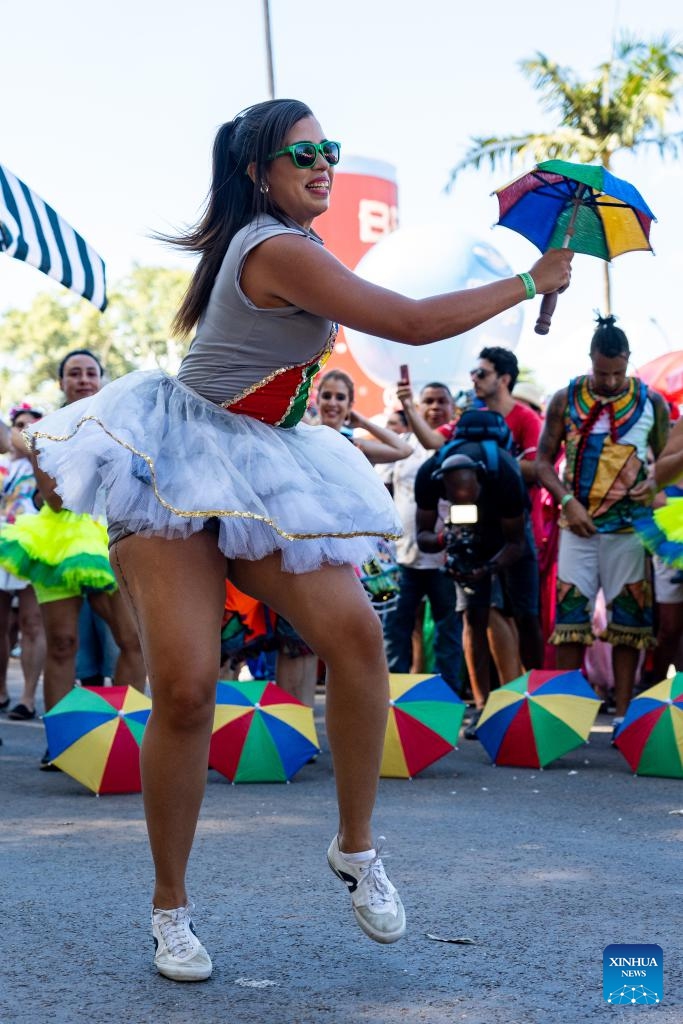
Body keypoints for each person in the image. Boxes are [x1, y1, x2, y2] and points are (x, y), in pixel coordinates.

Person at [24, 99, 572, 981]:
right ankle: (171, 910)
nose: (323, 163)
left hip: (265, 464)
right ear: (258, 173)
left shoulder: (301, 247)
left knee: (355, 641)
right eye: (303, 152)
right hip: (175, 464)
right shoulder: (271, 248)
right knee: (188, 689)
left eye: (331, 150)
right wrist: (527, 281)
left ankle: (356, 848)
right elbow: (410, 322)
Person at [0, 351, 147, 766]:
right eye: (73, 373)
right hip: (57, 541)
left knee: (131, 640)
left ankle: (127, 733)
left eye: (90, 372)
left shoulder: (122, 426)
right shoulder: (46, 431)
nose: (83, 379)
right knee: (62, 643)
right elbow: (55, 498)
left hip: (109, 537)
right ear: (61, 382)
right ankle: (63, 743)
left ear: (101, 379)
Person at [536, 315, 669, 736]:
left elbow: (665, 463)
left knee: (629, 624)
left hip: (630, 531)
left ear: (628, 361)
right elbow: (542, 462)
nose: (610, 381)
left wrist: (653, 483)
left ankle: (624, 720)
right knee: (571, 622)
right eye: (601, 372)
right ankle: (566, 716)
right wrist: (568, 502)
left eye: (617, 372)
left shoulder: (653, 403)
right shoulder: (565, 398)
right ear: (590, 360)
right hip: (577, 526)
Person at [415, 443, 530, 736]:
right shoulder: (428, 477)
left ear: (480, 479)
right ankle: (481, 707)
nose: (465, 499)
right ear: (443, 488)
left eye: (470, 493)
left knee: (525, 613)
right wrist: (445, 539)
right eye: (456, 496)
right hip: (463, 539)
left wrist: (490, 568)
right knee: (472, 617)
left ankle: (525, 701)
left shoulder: (505, 477)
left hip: (507, 535)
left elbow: (517, 544)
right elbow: (423, 537)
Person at [382, 380, 463, 692]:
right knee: (395, 631)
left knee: (448, 634)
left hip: (444, 559)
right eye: (427, 401)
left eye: (441, 401)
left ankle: (448, 699)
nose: (434, 407)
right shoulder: (400, 444)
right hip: (401, 557)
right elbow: (385, 493)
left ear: (453, 409)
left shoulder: (456, 447)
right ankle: (391, 701)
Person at [0, 405, 46, 720]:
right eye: (19, 424)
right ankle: (1, 690)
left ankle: (27, 698)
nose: (24, 430)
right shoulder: (2, 464)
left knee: (32, 623)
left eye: (32, 426)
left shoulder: (44, 461)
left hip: (35, 545)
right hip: (2, 543)